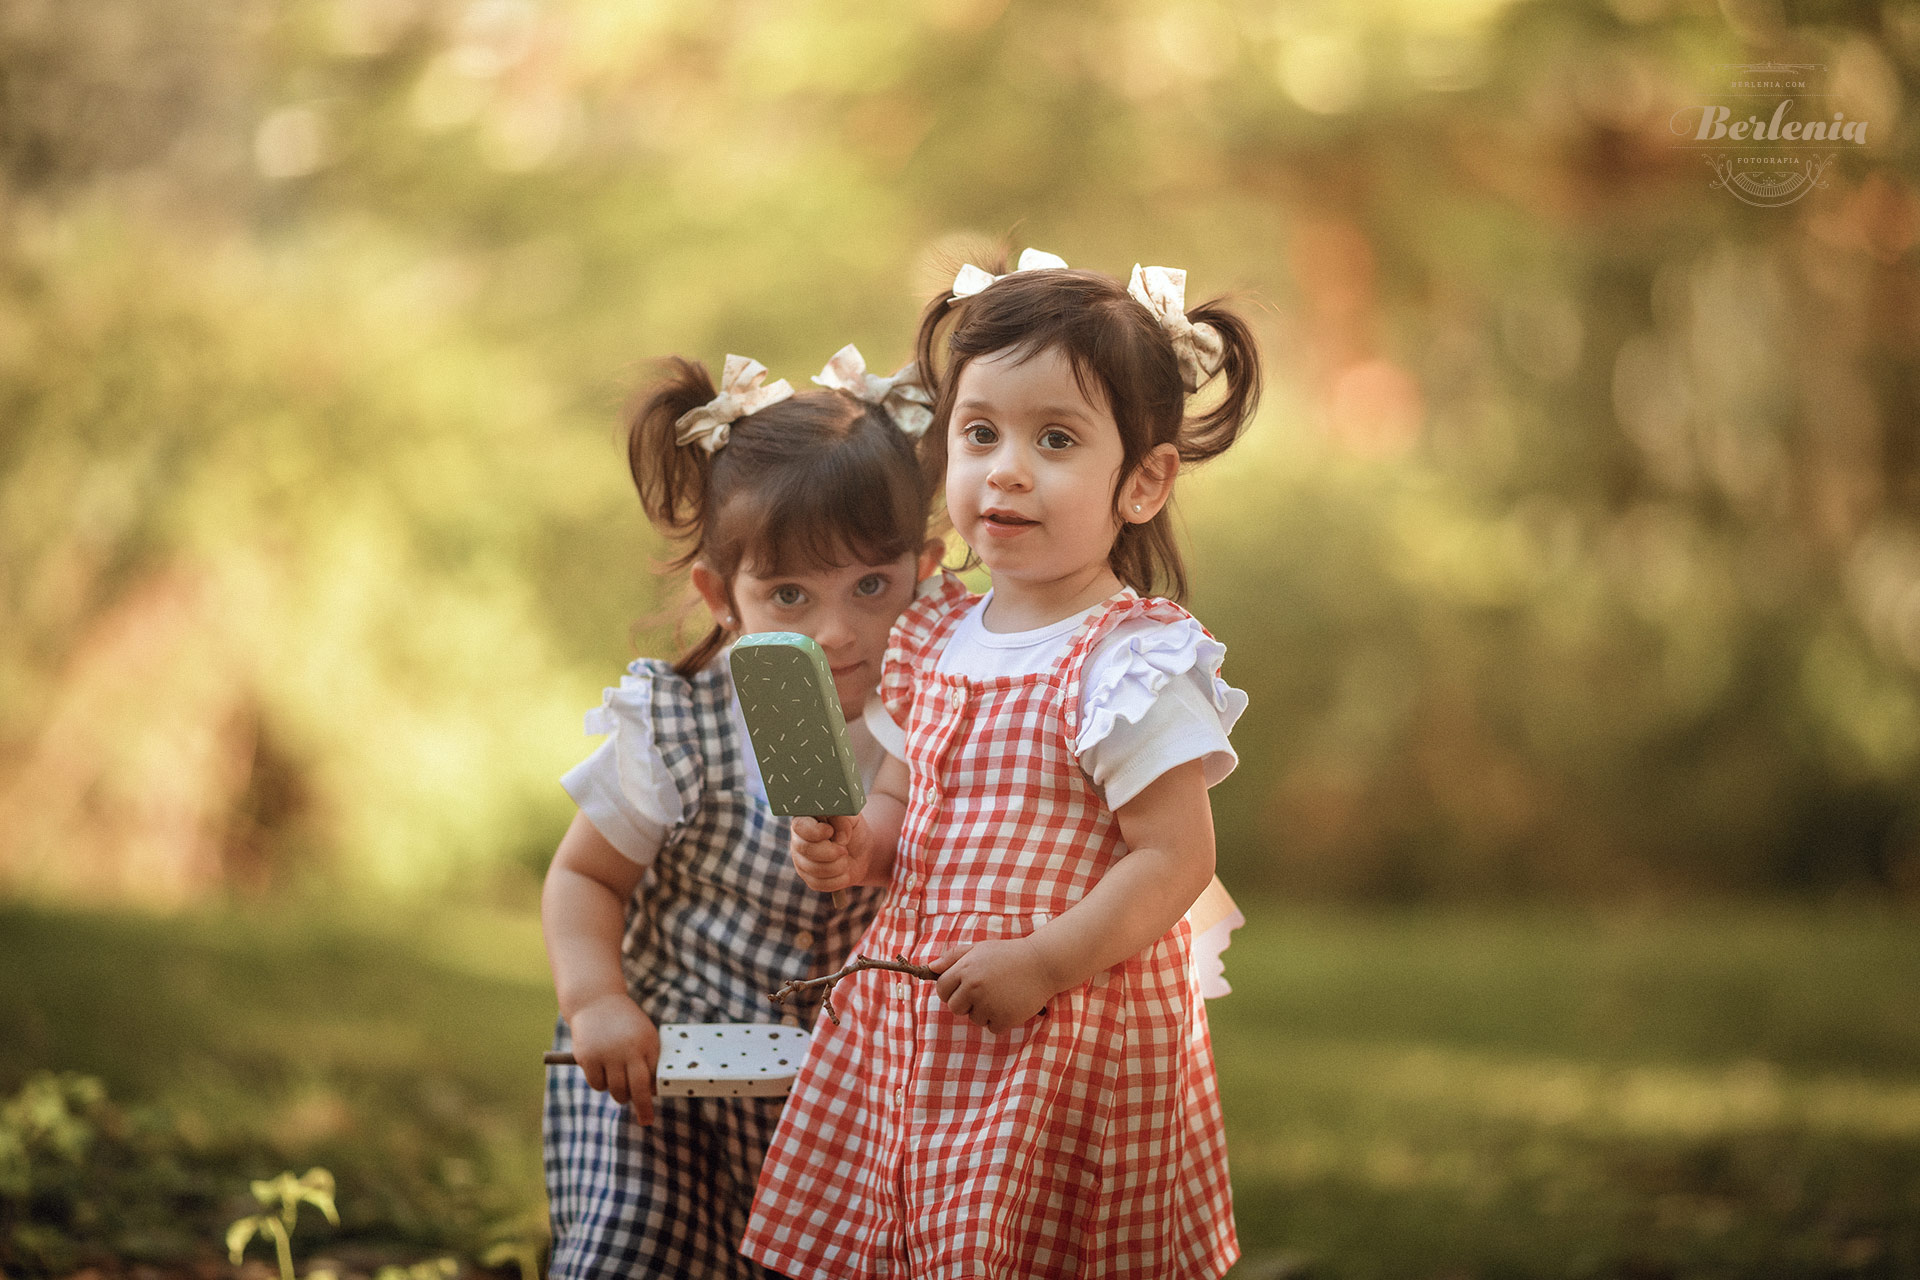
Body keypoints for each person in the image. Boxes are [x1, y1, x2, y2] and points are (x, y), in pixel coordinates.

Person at [742, 249, 1261, 1279]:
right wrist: (856, 846)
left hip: (1065, 1021)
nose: (1007, 469)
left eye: (1055, 439)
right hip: (923, 1015)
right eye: (980, 433)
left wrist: (1045, 962)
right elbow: (905, 801)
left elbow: (1174, 859)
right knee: (916, 1226)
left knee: (1023, 1240)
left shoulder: (1127, 661)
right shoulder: (937, 634)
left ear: (1144, 481)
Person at [542, 346, 942, 1280]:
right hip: (659, 1071)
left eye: (872, 586)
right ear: (723, 598)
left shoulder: (941, 713)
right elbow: (584, 875)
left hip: (832, 1090)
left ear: (923, 571)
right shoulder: (679, 729)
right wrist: (597, 1001)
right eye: (790, 595)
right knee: (635, 1252)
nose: (836, 631)